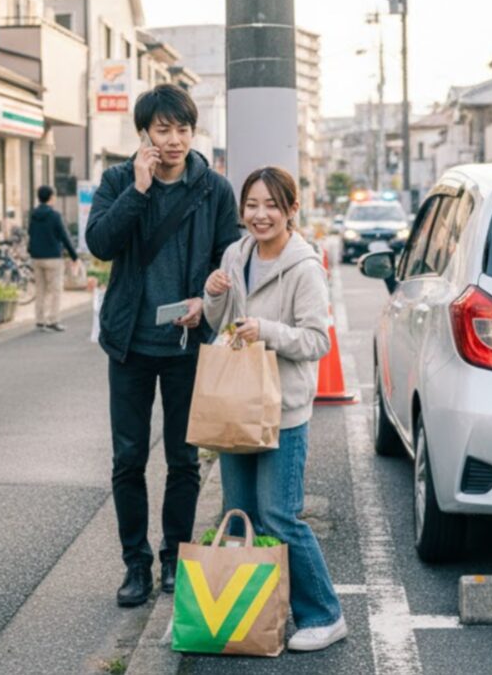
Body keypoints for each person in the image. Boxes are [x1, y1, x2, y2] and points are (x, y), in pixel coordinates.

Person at [84, 84, 240, 608]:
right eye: (163, 129)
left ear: (193, 131)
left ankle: (175, 557)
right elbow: (101, 244)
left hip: (186, 343)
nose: (174, 140)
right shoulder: (117, 180)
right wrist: (140, 189)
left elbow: (229, 258)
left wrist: (205, 299)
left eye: (182, 128)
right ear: (145, 134)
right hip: (129, 343)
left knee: (183, 459)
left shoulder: (214, 189)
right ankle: (135, 564)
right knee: (128, 459)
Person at [203, 166, 347, 653]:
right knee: (240, 512)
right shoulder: (235, 253)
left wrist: (266, 330)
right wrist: (213, 294)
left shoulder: (304, 267)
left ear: (291, 210)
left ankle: (325, 614)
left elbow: (315, 342)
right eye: (251, 205)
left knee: (280, 516)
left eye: (270, 206)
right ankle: (253, 614)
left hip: (282, 409)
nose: (259, 215)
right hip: (238, 404)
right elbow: (219, 324)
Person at [27, 184, 79, 332]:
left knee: (40, 289)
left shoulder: (33, 214)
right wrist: (74, 256)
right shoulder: (55, 216)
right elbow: (64, 236)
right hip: (53, 258)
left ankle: (39, 320)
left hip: (36, 257)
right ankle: (53, 320)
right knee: (55, 290)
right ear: (51, 197)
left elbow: (30, 233)